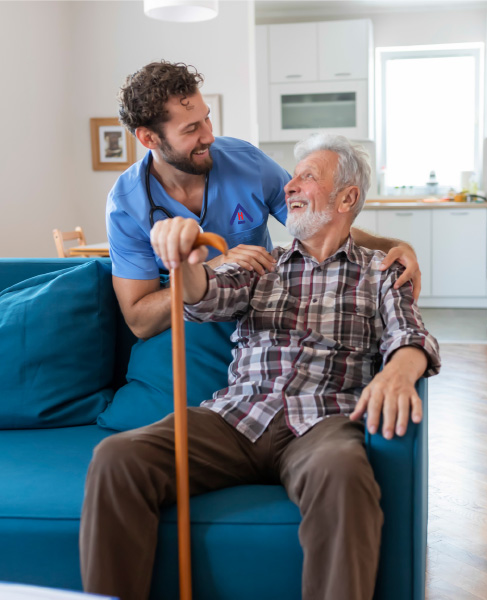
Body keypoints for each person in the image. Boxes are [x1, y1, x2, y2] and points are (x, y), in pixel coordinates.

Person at [81, 133, 441, 600]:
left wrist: (397, 372)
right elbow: (202, 294)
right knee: (117, 458)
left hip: (323, 421)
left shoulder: (380, 271)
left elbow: (409, 334)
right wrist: (184, 260)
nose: (289, 186)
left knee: (346, 478)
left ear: (347, 197)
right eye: (292, 176)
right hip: (235, 418)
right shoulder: (259, 266)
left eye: (307, 176)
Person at [106, 60, 422, 339]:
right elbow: (140, 322)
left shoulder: (247, 162)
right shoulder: (127, 205)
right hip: (180, 329)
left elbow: (321, 226)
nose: (209, 136)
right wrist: (211, 268)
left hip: (255, 315)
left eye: (207, 119)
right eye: (191, 129)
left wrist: (388, 246)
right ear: (149, 138)